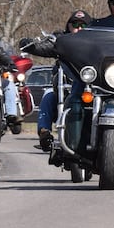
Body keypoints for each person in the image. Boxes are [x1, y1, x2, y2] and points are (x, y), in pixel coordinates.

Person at [36, 9, 89, 150]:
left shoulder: (95, 43)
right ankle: (44, 133)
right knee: (48, 96)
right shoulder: (61, 40)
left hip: (88, 88)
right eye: (75, 24)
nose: (78, 28)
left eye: (83, 26)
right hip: (64, 85)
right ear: (68, 26)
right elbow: (47, 47)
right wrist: (34, 45)